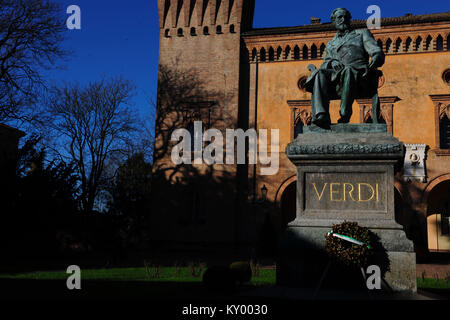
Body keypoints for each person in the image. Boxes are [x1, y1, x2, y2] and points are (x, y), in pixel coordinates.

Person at [305, 8, 385, 128]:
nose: (343, 20)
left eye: (345, 17)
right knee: (319, 73)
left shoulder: (361, 33)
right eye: (339, 17)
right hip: (337, 77)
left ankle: (345, 114)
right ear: (333, 21)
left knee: (349, 70)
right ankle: (321, 115)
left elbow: (375, 50)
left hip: (360, 74)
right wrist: (332, 62)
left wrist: (376, 57)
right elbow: (325, 62)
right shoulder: (331, 44)